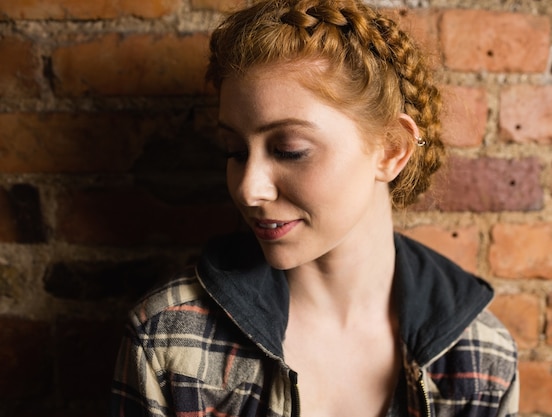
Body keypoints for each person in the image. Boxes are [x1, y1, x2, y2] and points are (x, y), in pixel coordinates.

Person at [111, 0, 519, 416]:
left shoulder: (481, 358)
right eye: (234, 151)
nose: (249, 190)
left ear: (391, 149)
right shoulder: (171, 340)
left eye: (290, 151)